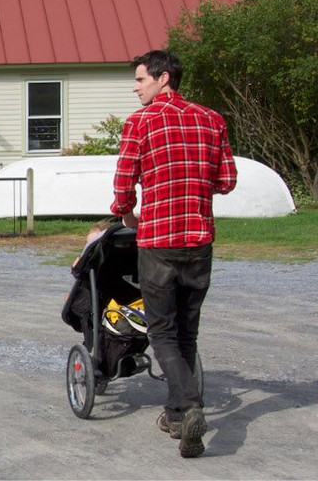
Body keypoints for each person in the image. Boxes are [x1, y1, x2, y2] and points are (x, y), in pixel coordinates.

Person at [110, 49, 236, 459]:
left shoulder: (140, 122)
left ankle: (191, 404)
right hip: (198, 241)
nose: (135, 87)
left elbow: (124, 182)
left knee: (161, 331)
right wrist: (193, 180)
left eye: (140, 79)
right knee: (187, 331)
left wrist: (125, 212)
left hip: (159, 240)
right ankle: (177, 414)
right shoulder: (212, 119)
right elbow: (227, 181)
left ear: (163, 78)